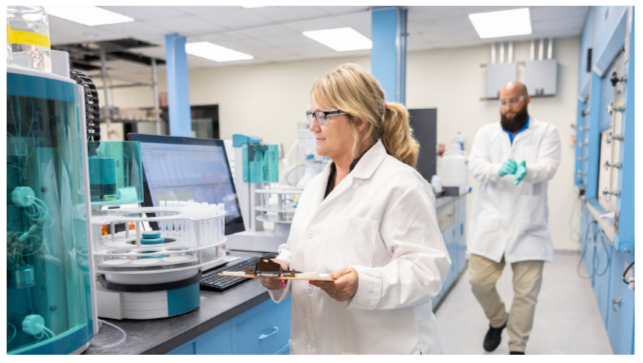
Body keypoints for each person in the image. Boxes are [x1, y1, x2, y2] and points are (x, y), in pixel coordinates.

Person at [260, 64, 451, 354]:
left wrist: (363, 284)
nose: (313, 126)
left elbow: (428, 270)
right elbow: (302, 246)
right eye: (312, 115)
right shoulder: (315, 186)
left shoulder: (400, 184)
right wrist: (281, 268)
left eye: (323, 115)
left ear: (359, 119)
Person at [467, 81, 561, 354]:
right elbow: (477, 166)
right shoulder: (486, 133)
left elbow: (549, 166)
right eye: (504, 102)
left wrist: (527, 170)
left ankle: (517, 348)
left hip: (529, 227)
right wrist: (499, 169)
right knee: (479, 282)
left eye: (514, 101)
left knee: (526, 295)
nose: (508, 107)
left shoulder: (546, 131)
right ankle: (498, 320)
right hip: (490, 225)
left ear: (527, 99)